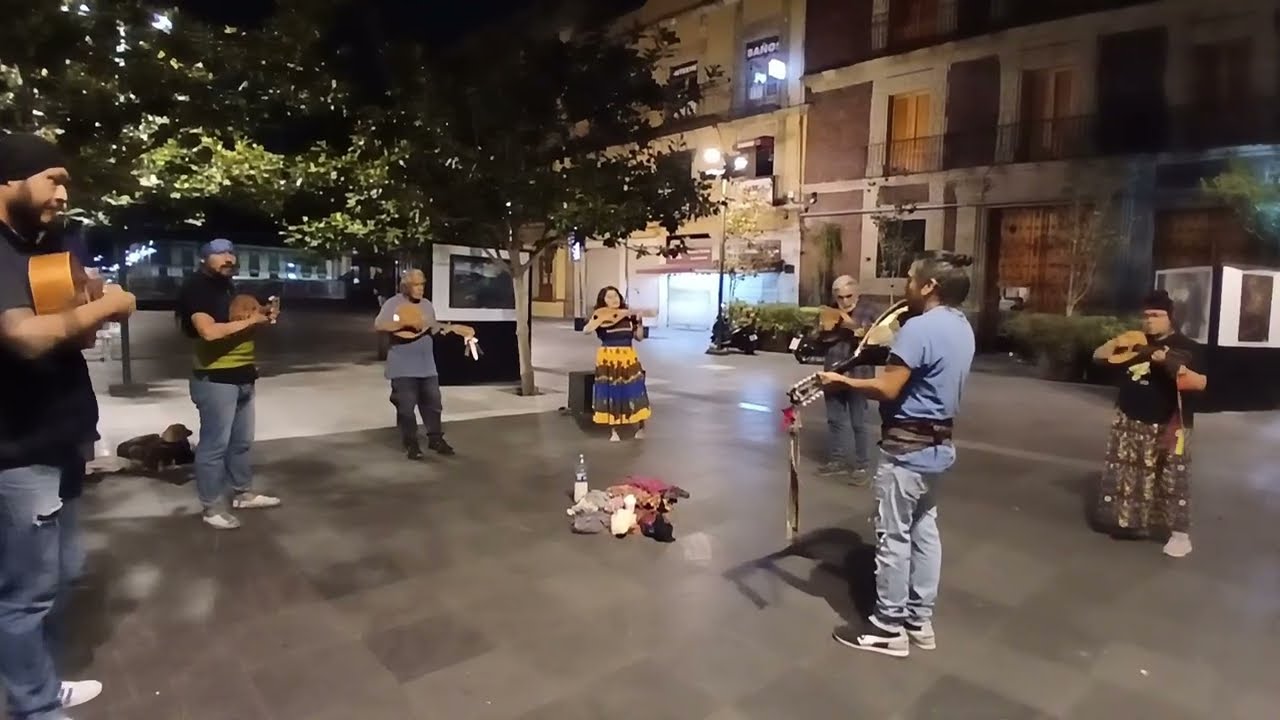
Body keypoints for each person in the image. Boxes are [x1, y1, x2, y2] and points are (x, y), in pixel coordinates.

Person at [0, 133, 133, 720]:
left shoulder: (42, 248)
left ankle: (43, 684)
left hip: (59, 435)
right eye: (52, 179)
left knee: (62, 576)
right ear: (10, 179)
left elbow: (66, 329)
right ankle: (35, 707)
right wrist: (108, 305)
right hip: (20, 445)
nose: (62, 193)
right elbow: (24, 336)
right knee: (26, 595)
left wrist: (85, 304)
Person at [818, 251, 975, 658]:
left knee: (893, 537)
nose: (904, 287)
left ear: (929, 287)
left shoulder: (920, 328)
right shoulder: (962, 326)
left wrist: (843, 382)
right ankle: (919, 620)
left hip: (906, 449)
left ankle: (888, 626)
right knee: (925, 533)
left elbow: (888, 388)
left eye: (910, 279)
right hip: (938, 447)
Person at [1090, 289, 1207, 558]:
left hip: (1169, 422)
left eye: (1156, 315)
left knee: (1172, 479)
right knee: (1130, 476)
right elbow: (1098, 357)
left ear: (1171, 317)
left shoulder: (1188, 347)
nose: (1150, 321)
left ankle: (1180, 535)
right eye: (1146, 316)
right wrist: (1117, 341)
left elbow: (1198, 383)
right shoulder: (1135, 342)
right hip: (1130, 417)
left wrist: (1168, 362)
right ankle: (1131, 524)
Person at [176, 239, 281, 530]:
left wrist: (261, 317)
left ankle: (242, 493)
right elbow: (208, 332)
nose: (228, 259)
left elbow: (237, 322)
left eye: (231, 253)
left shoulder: (227, 286)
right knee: (214, 446)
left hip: (243, 374)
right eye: (220, 254)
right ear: (203, 259)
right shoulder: (197, 288)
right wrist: (252, 321)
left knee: (241, 443)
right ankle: (211, 508)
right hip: (215, 378)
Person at [374, 269, 475, 460]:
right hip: (402, 367)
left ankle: (435, 439)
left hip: (427, 365)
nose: (420, 289)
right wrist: (406, 324)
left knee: (434, 404)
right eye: (416, 285)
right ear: (405, 286)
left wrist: (453, 329)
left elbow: (432, 326)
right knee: (406, 408)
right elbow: (379, 325)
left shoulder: (427, 305)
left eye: (422, 285)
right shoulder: (393, 304)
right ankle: (411, 443)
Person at [818, 275, 879, 484]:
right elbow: (821, 341)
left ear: (857, 292)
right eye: (840, 297)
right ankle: (837, 460)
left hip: (859, 374)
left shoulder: (870, 310)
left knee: (859, 422)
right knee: (834, 420)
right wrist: (823, 330)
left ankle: (862, 464)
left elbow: (876, 338)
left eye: (848, 296)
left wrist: (850, 324)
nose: (844, 301)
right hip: (834, 371)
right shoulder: (831, 310)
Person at [583, 286, 650, 442]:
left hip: (628, 357)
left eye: (616, 296)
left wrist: (640, 322)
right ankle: (614, 430)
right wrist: (599, 318)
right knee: (612, 392)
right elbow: (586, 330)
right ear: (603, 300)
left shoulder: (628, 317)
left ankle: (641, 426)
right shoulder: (600, 316)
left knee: (635, 389)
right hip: (608, 358)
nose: (614, 300)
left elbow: (639, 337)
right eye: (609, 297)